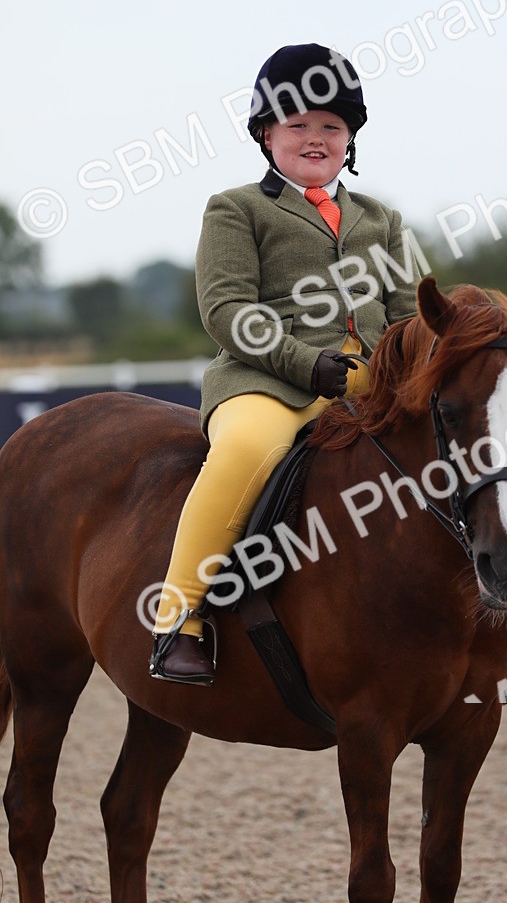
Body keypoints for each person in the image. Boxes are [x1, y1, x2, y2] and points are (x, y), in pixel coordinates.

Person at [149, 43, 421, 684]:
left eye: (331, 126)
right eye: (298, 124)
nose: (316, 138)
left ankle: (478, 610)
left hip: (373, 385)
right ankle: (178, 617)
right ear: (267, 134)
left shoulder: (383, 220)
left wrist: (412, 364)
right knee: (246, 450)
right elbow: (226, 309)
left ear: (350, 138)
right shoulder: (237, 208)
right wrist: (307, 364)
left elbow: (413, 313)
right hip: (267, 383)